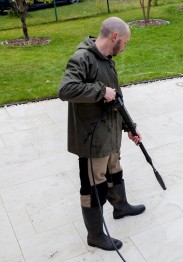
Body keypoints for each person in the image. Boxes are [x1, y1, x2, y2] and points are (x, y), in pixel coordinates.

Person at [58, 17, 145, 251]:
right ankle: (95, 235)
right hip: (91, 139)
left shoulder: (107, 59)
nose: (125, 47)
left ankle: (121, 206)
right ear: (114, 37)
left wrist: (129, 127)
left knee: (114, 171)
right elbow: (65, 89)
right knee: (93, 186)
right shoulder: (82, 58)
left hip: (110, 133)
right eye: (125, 42)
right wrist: (100, 91)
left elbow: (115, 97)